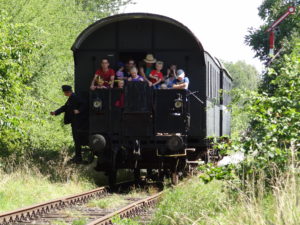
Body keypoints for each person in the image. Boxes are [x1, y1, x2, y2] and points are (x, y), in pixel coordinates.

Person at [50, 85, 86, 163]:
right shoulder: (71, 98)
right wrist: (55, 112)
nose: (64, 94)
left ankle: (78, 158)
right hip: (74, 122)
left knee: (77, 140)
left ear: (68, 92)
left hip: (78, 122)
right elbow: (64, 107)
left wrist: (79, 110)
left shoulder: (75, 97)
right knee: (76, 140)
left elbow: (84, 104)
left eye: (64, 92)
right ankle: (78, 157)